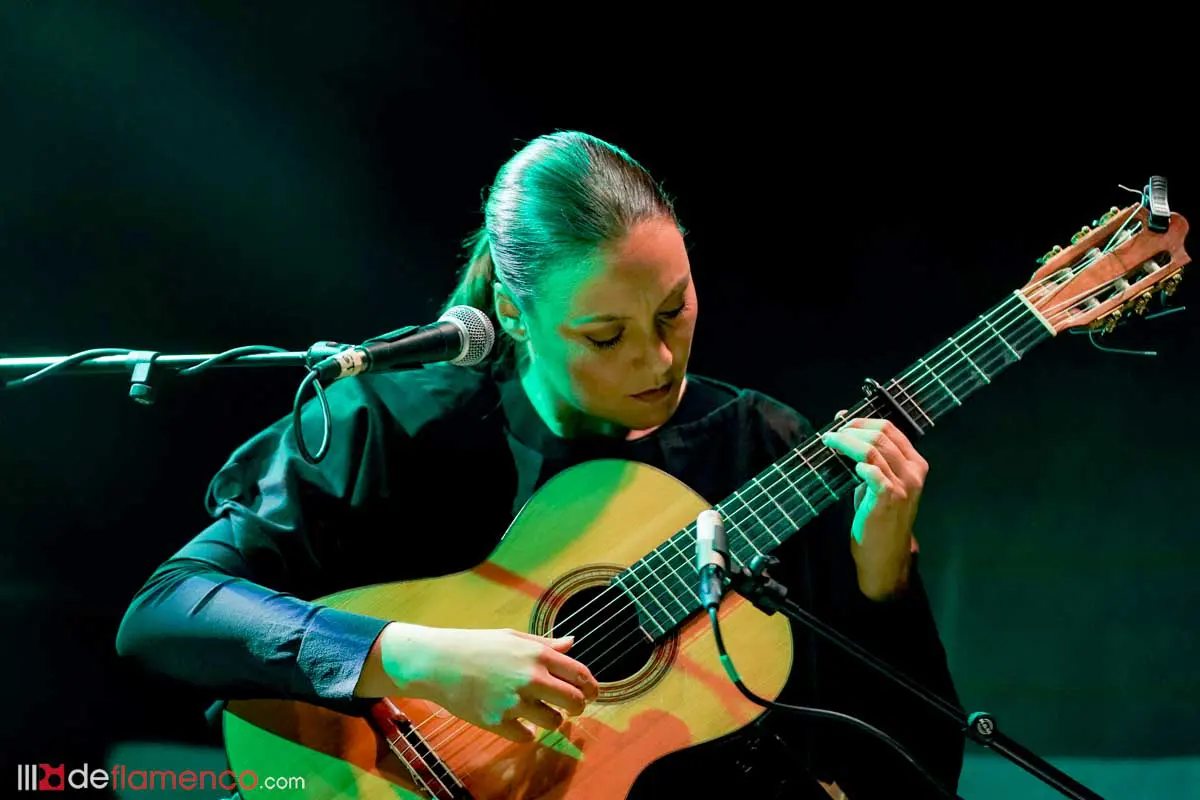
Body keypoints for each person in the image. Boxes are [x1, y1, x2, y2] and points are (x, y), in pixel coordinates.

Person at [115, 130, 965, 799]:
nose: (659, 358)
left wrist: (881, 576)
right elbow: (164, 612)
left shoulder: (755, 448)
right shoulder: (386, 425)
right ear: (514, 316)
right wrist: (412, 657)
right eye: (605, 336)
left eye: (675, 309)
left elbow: (914, 769)